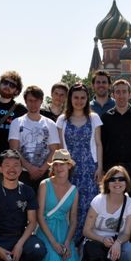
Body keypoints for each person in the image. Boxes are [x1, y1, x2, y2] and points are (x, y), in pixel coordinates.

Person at [75, 166, 131, 261]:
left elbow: (126, 233)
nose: (117, 183)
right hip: (94, 242)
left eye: (121, 179)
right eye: (113, 179)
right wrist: (102, 239)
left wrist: (118, 242)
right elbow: (86, 231)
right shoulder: (98, 201)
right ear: (107, 183)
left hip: (115, 241)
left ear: (126, 182)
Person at [56, 83, 103, 244]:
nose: (79, 100)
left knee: (89, 205)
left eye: (83, 97)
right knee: (70, 206)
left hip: (90, 167)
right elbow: (61, 147)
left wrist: (100, 168)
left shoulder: (94, 117)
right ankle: (70, 244)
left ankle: (87, 243)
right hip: (70, 168)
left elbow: (98, 144)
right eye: (76, 97)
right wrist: (62, 169)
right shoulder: (62, 119)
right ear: (70, 99)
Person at [33, 149, 80, 261]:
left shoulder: (74, 190)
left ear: (69, 166)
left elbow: (73, 219)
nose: (58, 168)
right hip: (46, 230)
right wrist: (53, 243)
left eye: (62, 164)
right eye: (56, 164)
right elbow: (40, 216)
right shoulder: (45, 185)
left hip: (64, 232)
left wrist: (67, 242)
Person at [9, 85, 60, 192]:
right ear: (25, 101)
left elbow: (54, 150)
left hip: (46, 173)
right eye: (30, 100)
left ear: (41, 101)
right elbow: (14, 150)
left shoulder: (50, 124)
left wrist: (42, 169)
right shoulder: (16, 123)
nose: (33, 104)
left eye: (36, 101)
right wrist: (30, 169)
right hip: (22, 173)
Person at [101, 79, 131, 186]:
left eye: (124, 92)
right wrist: (102, 169)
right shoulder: (106, 118)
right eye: (118, 92)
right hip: (112, 169)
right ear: (113, 95)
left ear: (130, 94)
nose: (121, 95)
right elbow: (102, 145)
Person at [0, 71, 28, 154]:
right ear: (0, 84)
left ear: (17, 91)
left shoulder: (21, 110)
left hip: (8, 157)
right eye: (5, 82)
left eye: (12, 85)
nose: (7, 86)